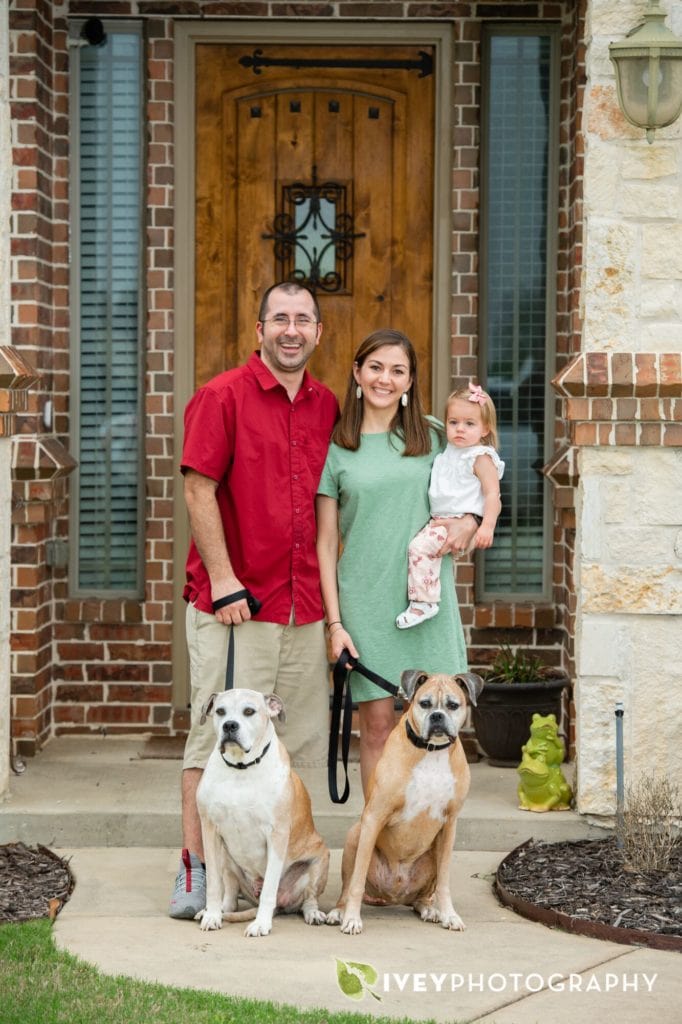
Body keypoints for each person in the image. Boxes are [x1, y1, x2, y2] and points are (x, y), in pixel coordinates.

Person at [169, 281, 339, 919]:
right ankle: (195, 872)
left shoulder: (326, 405)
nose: (291, 330)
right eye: (279, 319)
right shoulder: (222, 396)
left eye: (303, 320)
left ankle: (278, 877)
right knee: (209, 742)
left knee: (287, 751)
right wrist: (223, 579)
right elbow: (197, 489)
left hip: (302, 608)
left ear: (318, 333)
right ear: (259, 329)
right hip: (234, 606)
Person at [315, 328, 478, 794]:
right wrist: (334, 624)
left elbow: (482, 476)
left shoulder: (433, 435)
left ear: (410, 382)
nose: (385, 379)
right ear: (357, 373)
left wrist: (471, 519)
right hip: (365, 602)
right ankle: (379, 847)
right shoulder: (336, 449)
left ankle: (427, 845)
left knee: (440, 729)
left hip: (428, 603)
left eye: (398, 370)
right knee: (379, 729)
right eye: (376, 367)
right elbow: (326, 543)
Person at [396, 382, 504, 629]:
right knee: (425, 554)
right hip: (441, 520)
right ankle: (425, 596)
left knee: (419, 549)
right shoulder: (450, 451)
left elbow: (492, 495)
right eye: (453, 422)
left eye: (469, 424)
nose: (460, 429)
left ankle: (424, 602)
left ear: (485, 428)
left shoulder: (480, 457)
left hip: (456, 521)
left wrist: (487, 526)